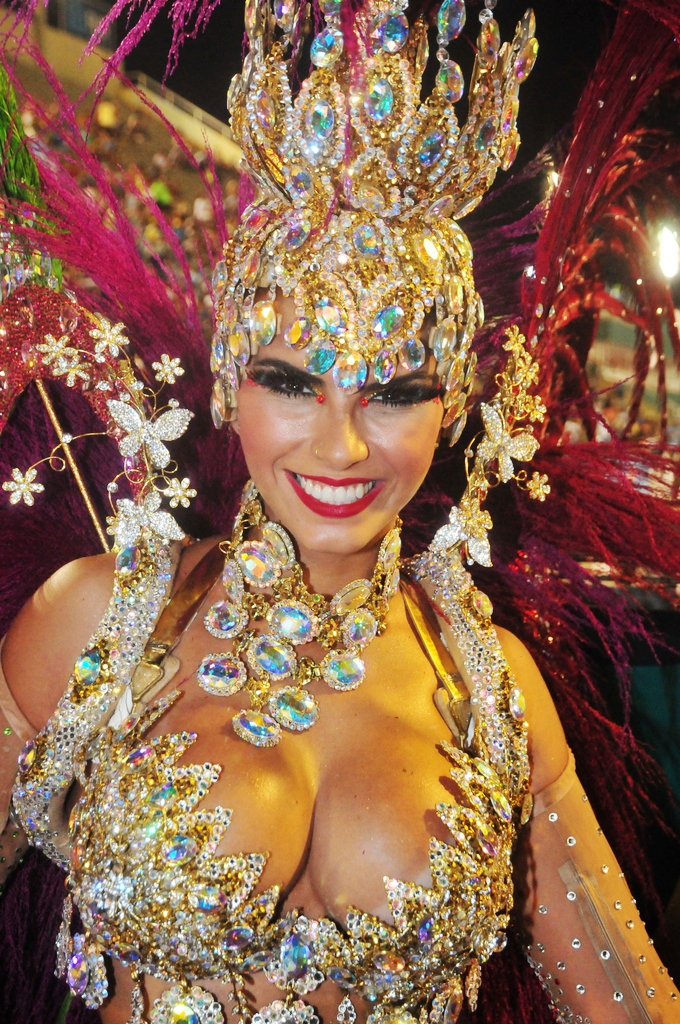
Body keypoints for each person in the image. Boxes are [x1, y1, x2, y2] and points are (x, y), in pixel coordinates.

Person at [0, 2, 679, 1024]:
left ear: (454, 407)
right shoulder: (102, 620)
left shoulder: (493, 691)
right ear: (229, 381)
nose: (341, 446)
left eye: (394, 393)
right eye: (291, 382)